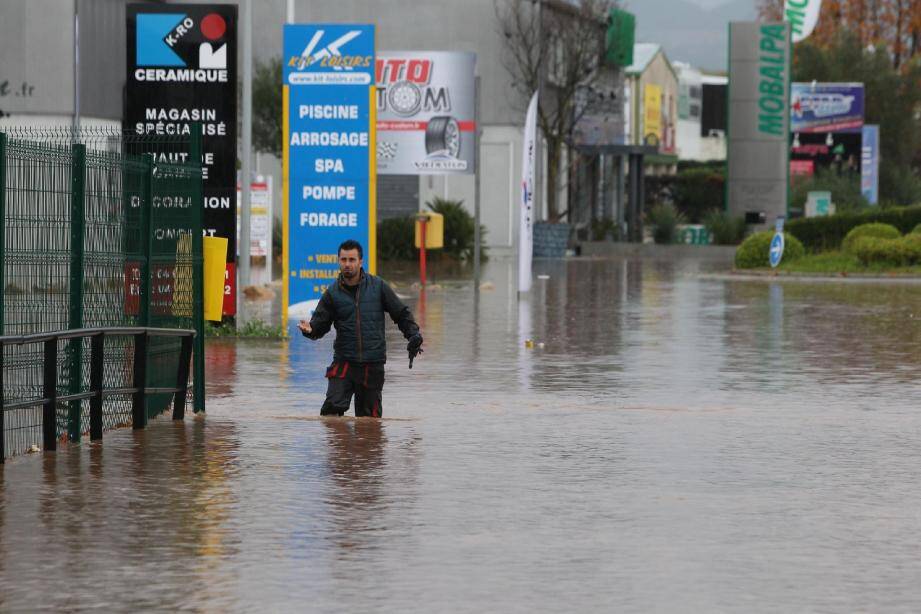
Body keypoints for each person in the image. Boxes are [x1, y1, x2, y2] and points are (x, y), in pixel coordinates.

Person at [298, 239, 423, 418]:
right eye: (343, 260)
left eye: (352, 260)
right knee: (331, 413)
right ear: (338, 261)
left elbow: (401, 313)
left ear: (360, 262)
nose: (347, 264)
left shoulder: (378, 286)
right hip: (344, 362)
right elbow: (320, 325)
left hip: (373, 363)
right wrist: (310, 330)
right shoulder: (332, 293)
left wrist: (413, 334)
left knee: (369, 423)